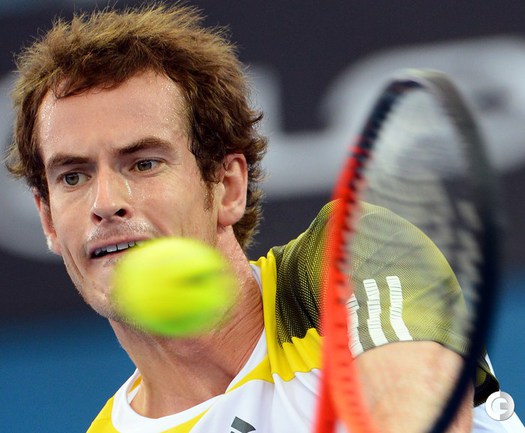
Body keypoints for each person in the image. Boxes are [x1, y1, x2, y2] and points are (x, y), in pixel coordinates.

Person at [4, 4, 522, 433]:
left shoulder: (347, 255)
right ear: (47, 221)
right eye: (72, 176)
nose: (105, 201)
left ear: (227, 186)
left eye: (143, 163)